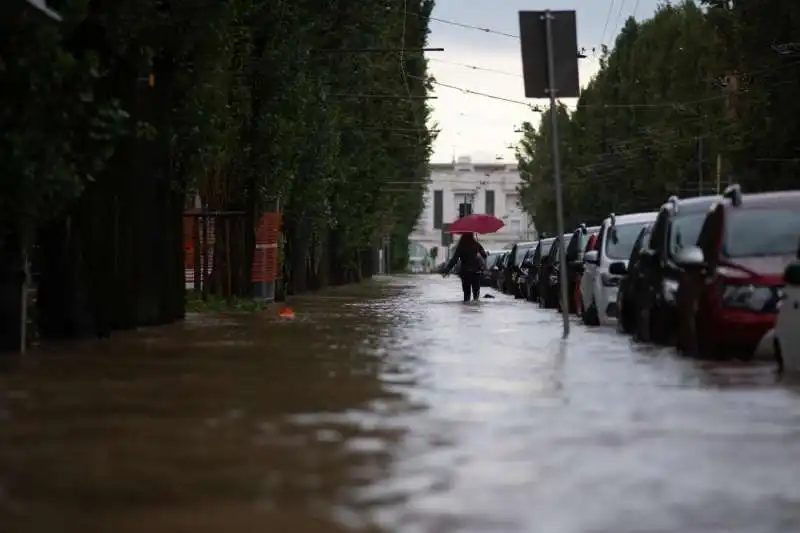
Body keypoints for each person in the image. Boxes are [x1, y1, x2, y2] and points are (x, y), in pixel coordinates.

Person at [441, 232, 488, 302]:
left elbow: (454, 259)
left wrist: (447, 270)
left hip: (465, 272)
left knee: (466, 293)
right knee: (476, 292)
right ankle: (475, 303)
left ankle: (467, 304)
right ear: (472, 235)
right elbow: (484, 255)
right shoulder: (476, 244)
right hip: (476, 272)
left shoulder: (461, 246)